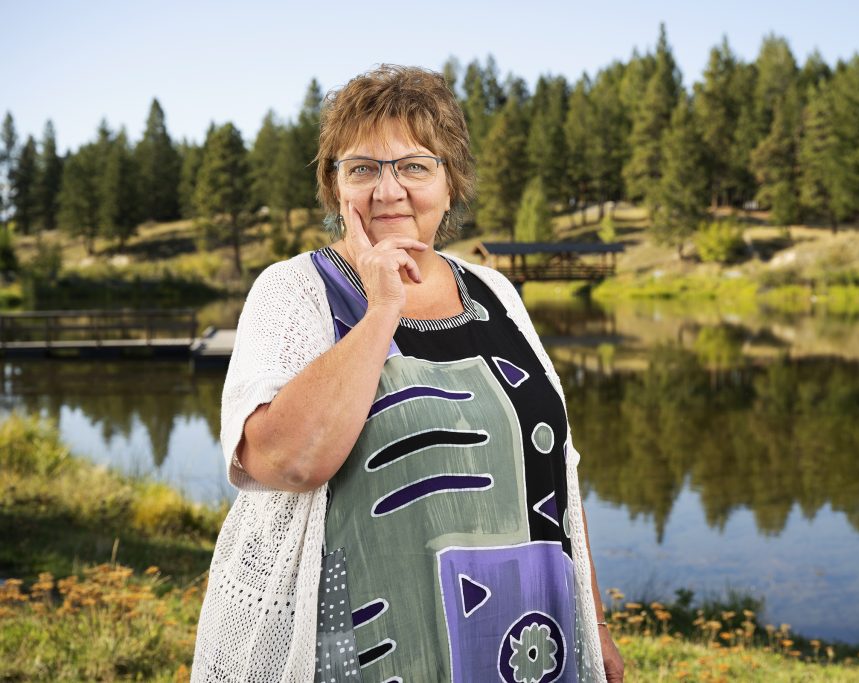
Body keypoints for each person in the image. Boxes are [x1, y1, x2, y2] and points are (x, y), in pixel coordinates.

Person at [191, 64, 624, 683]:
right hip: (358, 648)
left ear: (450, 185)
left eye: (415, 166)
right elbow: (283, 461)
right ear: (334, 186)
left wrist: (594, 622)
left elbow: (559, 469)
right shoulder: (294, 292)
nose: (389, 190)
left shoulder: (495, 291)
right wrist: (382, 309)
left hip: (525, 640)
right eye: (363, 167)